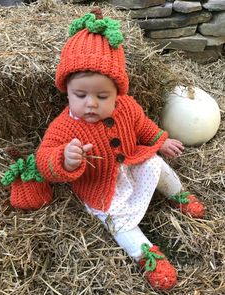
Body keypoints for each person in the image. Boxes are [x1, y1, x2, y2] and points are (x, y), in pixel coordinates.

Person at [36, 9, 205, 291]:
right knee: (119, 224)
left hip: (129, 162)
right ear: (67, 91)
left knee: (155, 163)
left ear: (118, 92)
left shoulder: (126, 106)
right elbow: (44, 159)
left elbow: (142, 125)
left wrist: (160, 140)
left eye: (102, 96)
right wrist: (64, 159)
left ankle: (179, 195)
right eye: (80, 95)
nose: (91, 103)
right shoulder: (65, 127)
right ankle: (147, 255)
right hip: (100, 185)